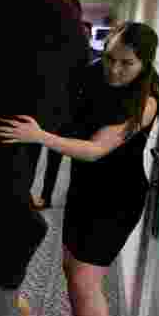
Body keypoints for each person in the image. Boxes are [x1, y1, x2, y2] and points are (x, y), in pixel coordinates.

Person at [0, 21, 159, 316]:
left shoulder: (146, 100)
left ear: (145, 63)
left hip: (117, 198)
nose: (115, 70)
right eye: (110, 59)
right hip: (85, 190)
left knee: (87, 280)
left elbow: (96, 149)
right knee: (72, 270)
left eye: (127, 63)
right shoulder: (94, 74)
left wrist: (39, 136)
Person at [29, 21, 98, 211]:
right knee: (40, 160)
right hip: (52, 117)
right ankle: (36, 197)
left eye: (85, 34)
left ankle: (58, 199)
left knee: (73, 164)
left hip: (78, 120)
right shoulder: (61, 56)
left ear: (90, 36)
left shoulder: (95, 60)